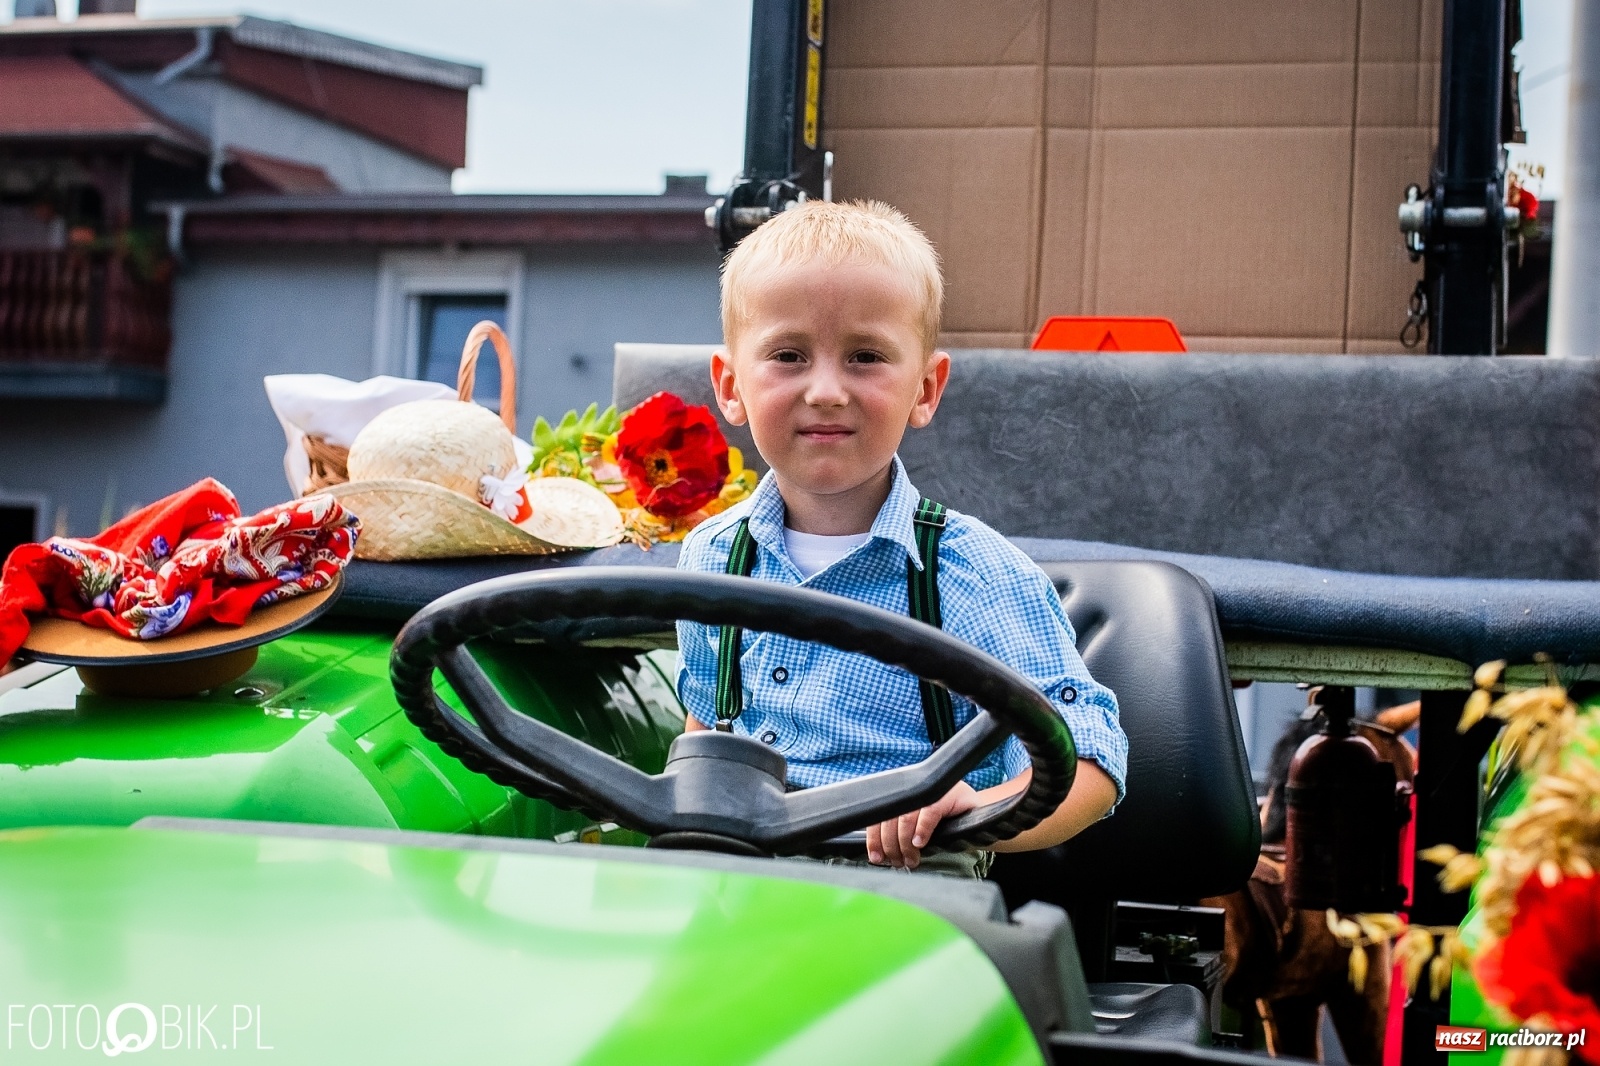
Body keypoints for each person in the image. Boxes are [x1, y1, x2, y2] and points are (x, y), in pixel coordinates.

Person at [676, 200, 1126, 878]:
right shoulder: (711, 559)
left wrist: (973, 808)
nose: (826, 391)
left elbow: (1090, 761)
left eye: (865, 357)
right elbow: (706, 729)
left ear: (925, 387)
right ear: (730, 386)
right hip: (744, 875)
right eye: (789, 355)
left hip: (906, 887)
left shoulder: (972, 575)